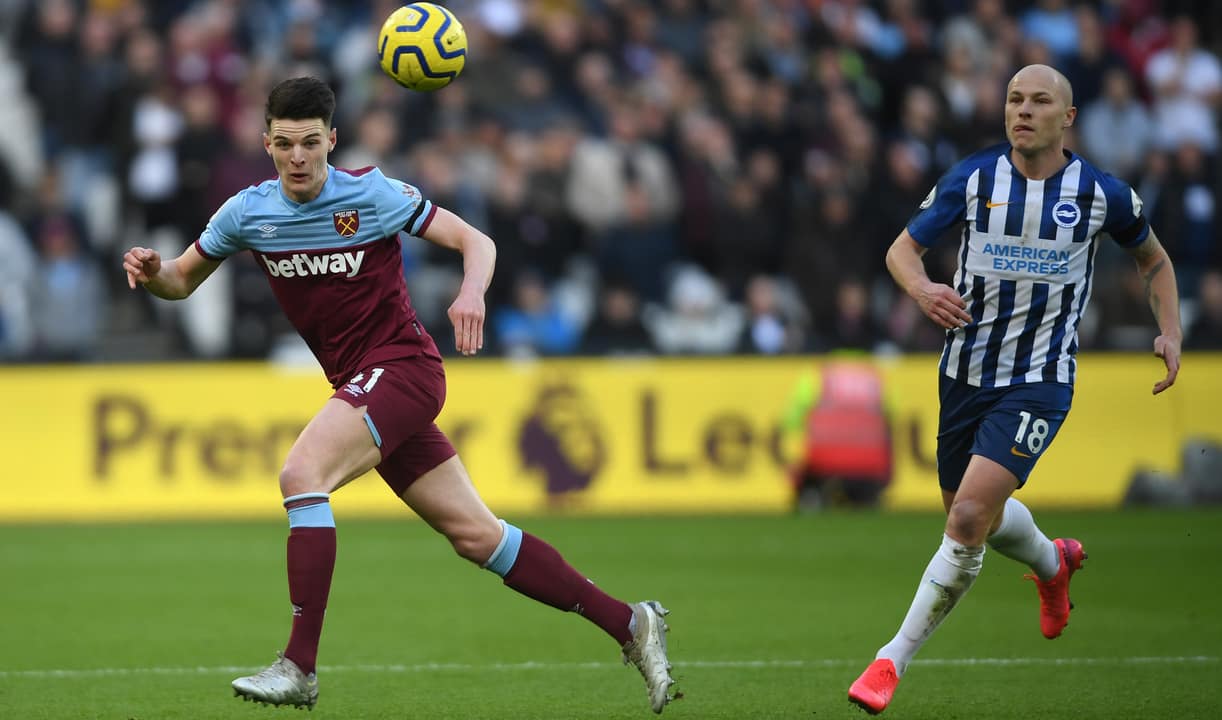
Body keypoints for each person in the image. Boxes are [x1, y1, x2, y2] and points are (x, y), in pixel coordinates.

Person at [121, 77, 676, 714]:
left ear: (331, 140)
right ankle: (630, 623)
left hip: (403, 367)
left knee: (303, 474)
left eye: (310, 144)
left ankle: (299, 665)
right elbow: (182, 281)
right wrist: (154, 269)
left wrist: (471, 291)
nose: (297, 157)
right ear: (265, 143)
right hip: (363, 386)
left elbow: (478, 240)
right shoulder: (247, 212)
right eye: (284, 144)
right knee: (479, 538)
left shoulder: (371, 194)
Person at [847, 64, 1182, 714]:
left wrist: (1168, 329)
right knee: (977, 515)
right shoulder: (975, 178)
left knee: (967, 518)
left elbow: (1155, 260)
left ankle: (890, 660)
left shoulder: (1101, 194)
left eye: (1039, 101)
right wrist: (922, 290)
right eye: (1014, 100)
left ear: (1068, 117)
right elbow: (900, 251)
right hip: (964, 373)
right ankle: (1053, 564)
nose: (1023, 111)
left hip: (1039, 381)